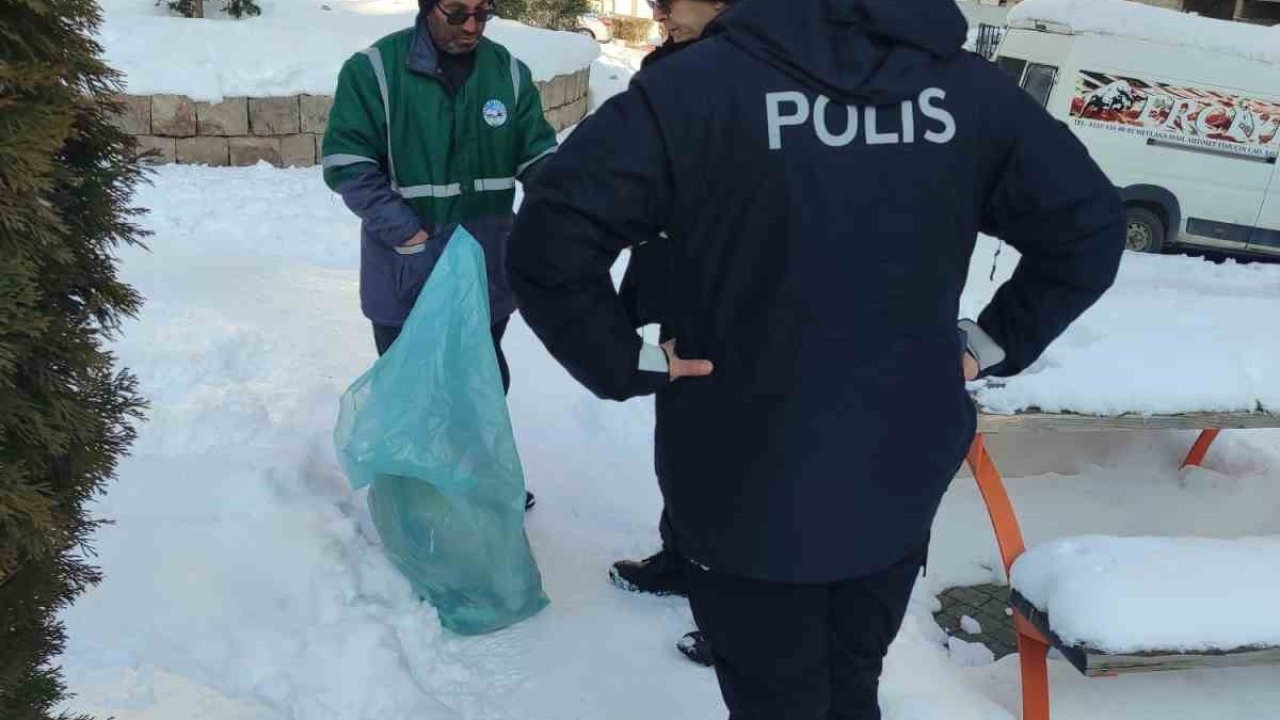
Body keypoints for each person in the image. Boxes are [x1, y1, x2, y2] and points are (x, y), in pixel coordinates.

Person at [509, 0, 1124, 716]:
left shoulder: (696, 89)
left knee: (788, 694)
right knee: (849, 681)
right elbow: (1089, 227)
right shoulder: (969, 95)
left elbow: (548, 243)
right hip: (892, 477)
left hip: (747, 484)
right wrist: (988, 344)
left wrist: (625, 361)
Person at [321, 0, 558, 510]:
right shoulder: (375, 72)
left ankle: (480, 480)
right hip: (407, 272)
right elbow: (347, 162)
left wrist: (569, 204)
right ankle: (420, 496)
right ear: (429, 7)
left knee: (483, 379)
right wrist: (407, 234)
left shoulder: (508, 73)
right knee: (413, 389)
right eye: (457, 13)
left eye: (483, 13)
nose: (472, 26)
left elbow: (538, 154)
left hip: (486, 271)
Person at [612, 0, 735, 669]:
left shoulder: (762, 72)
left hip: (743, 292)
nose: (657, 8)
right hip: (677, 279)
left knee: (738, 458)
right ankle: (683, 558)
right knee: (683, 435)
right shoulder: (673, 63)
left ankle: (736, 614)